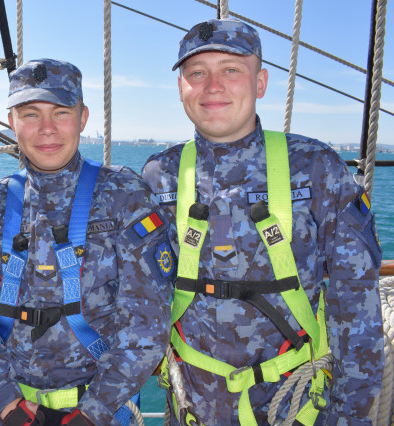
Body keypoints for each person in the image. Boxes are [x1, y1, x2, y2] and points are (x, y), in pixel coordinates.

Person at [141, 18, 384, 425]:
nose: (212, 86)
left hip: (294, 410)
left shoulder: (315, 168)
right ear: (181, 87)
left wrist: (349, 417)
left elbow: (355, 307)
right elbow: (136, 296)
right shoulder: (158, 175)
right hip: (191, 411)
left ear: (261, 83)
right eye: (196, 73)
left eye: (231, 70)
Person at [0, 58, 173, 425]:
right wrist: (7, 403)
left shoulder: (124, 196)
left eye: (61, 112)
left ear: (83, 118)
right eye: (31, 114)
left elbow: (146, 322)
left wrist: (93, 413)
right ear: (12, 123)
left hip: (104, 412)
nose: (47, 129)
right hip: (11, 412)